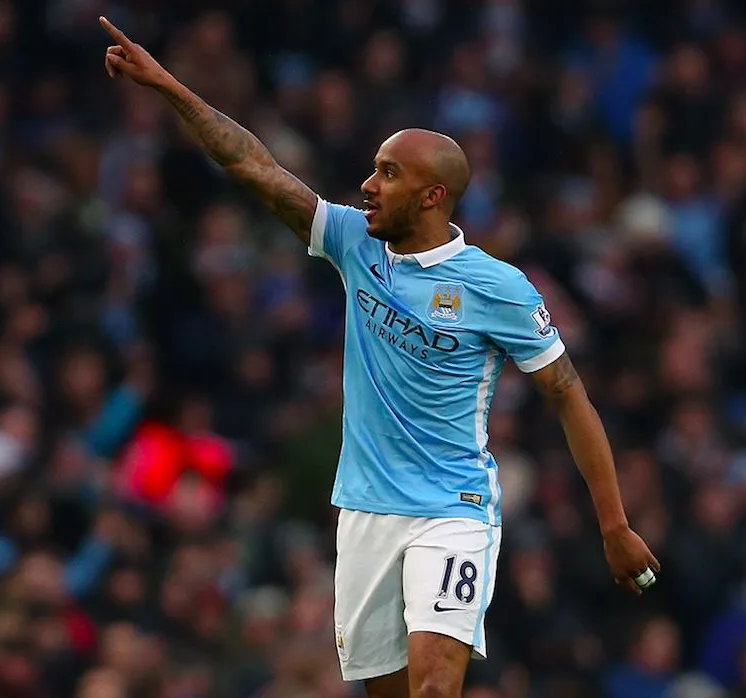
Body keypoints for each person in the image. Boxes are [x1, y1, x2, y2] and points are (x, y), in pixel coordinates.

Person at [99, 17, 660, 698]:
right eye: (372, 168)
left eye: (388, 173)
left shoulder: (498, 288)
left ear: (432, 195)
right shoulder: (352, 244)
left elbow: (568, 396)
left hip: (453, 510)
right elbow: (253, 165)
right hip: (366, 512)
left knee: (434, 689)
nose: (367, 184)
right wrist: (167, 86)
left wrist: (613, 523)